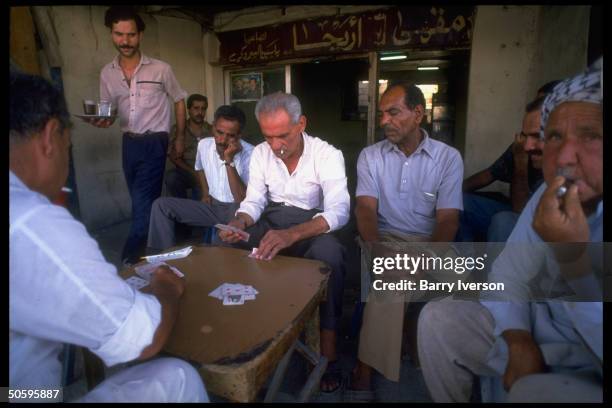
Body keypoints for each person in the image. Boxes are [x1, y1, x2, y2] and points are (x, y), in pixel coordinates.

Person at [9, 71, 207, 402]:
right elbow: (144, 340)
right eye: (67, 146)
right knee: (178, 375)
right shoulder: (33, 222)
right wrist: (166, 289)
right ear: (50, 136)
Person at [417, 58, 603, 403]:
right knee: (439, 318)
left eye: (591, 136)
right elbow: (508, 274)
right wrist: (518, 338)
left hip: (588, 355)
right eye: (555, 137)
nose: (565, 155)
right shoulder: (553, 193)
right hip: (536, 328)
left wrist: (573, 259)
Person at [218, 92, 350, 394]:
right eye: (268, 136)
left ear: (301, 123)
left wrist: (293, 234)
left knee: (332, 255)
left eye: (283, 136)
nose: (276, 146)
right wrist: (239, 221)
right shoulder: (263, 154)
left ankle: (327, 350)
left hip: (310, 229)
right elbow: (254, 201)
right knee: (232, 243)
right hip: (273, 221)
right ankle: (241, 332)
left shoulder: (327, 155)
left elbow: (339, 211)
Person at [346, 82, 463, 401]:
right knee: (391, 282)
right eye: (382, 114)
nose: (385, 120)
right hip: (386, 238)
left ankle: (431, 348)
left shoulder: (448, 158)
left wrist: (425, 261)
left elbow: (448, 220)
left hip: (430, 242)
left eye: (393, 112)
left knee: (469, 287)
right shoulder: (371, 156)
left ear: (418, 114)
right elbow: (365, 210)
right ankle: (365, 367)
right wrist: (379, 250)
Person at [86, 6, 188, 265]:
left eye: (130, 35)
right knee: (141, 201)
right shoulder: (107, 73)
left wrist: (178, 137)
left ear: (140, 35)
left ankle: (131, 258)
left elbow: (178, 99)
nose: (125, 41)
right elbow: (109, 112)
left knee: (142, 202)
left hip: (155, 141)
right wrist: (102, 121)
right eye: (119, 34)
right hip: (128, 144)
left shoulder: (161, 69)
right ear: (111, 34)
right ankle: (157, 245)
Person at [148, 105, 253, 252]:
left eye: (230, 135)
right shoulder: (204, 144)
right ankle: (161, 259)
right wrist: (205, 193)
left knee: (220, 246)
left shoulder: (252, 154)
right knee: (161, 206)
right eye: (219, 132)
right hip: (213, 207)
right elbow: (199, 168)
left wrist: (229, 161)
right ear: (213, 127)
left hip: (237, 212)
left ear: (239, 135)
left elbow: (241, 198)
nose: (222, 140)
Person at [458, 97, 547, 242]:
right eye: (525, 135)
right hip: (513, 206)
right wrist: (449, 192)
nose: (527, 145)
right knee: (457, 202)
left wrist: (520, 162)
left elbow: (520, 209)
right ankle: (466, 261)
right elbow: (489, 174)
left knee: (503, 221)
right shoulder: (521, 145)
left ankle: (493, 265)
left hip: (531, 218)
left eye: (537, 136)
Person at [166, 93, 212, 199]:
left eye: (203, 109)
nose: (200, 112)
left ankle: (195, 210)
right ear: (189, 109)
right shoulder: (179, 129)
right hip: (186, 171)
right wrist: (193, 172)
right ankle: (181, 207)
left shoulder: (211, 130)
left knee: (199, 200)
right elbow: (173, 156)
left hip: (206, 174)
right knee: (172, 178)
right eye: (196, 108)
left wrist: (201, 174)